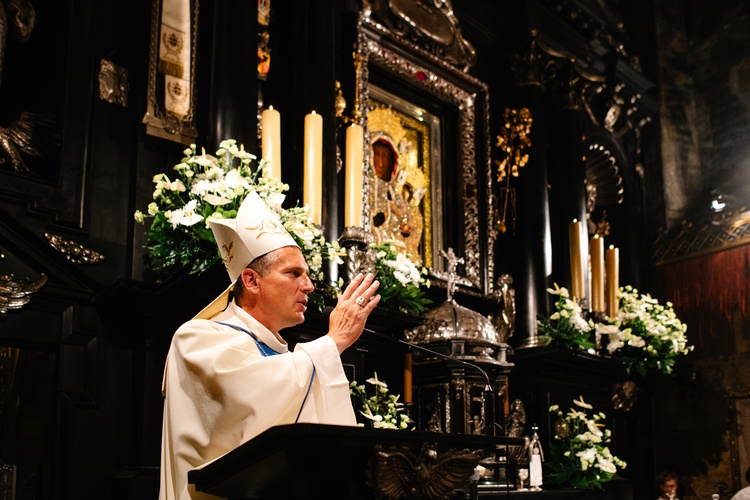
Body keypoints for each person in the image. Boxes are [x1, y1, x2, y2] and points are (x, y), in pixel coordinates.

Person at [159, 191, 381, 500]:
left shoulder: (279, 355)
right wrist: (334, 341)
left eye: (307, 274)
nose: (309, 286)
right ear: (250, 281)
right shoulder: (196, 338)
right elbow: (247, 401)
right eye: (293, 273)